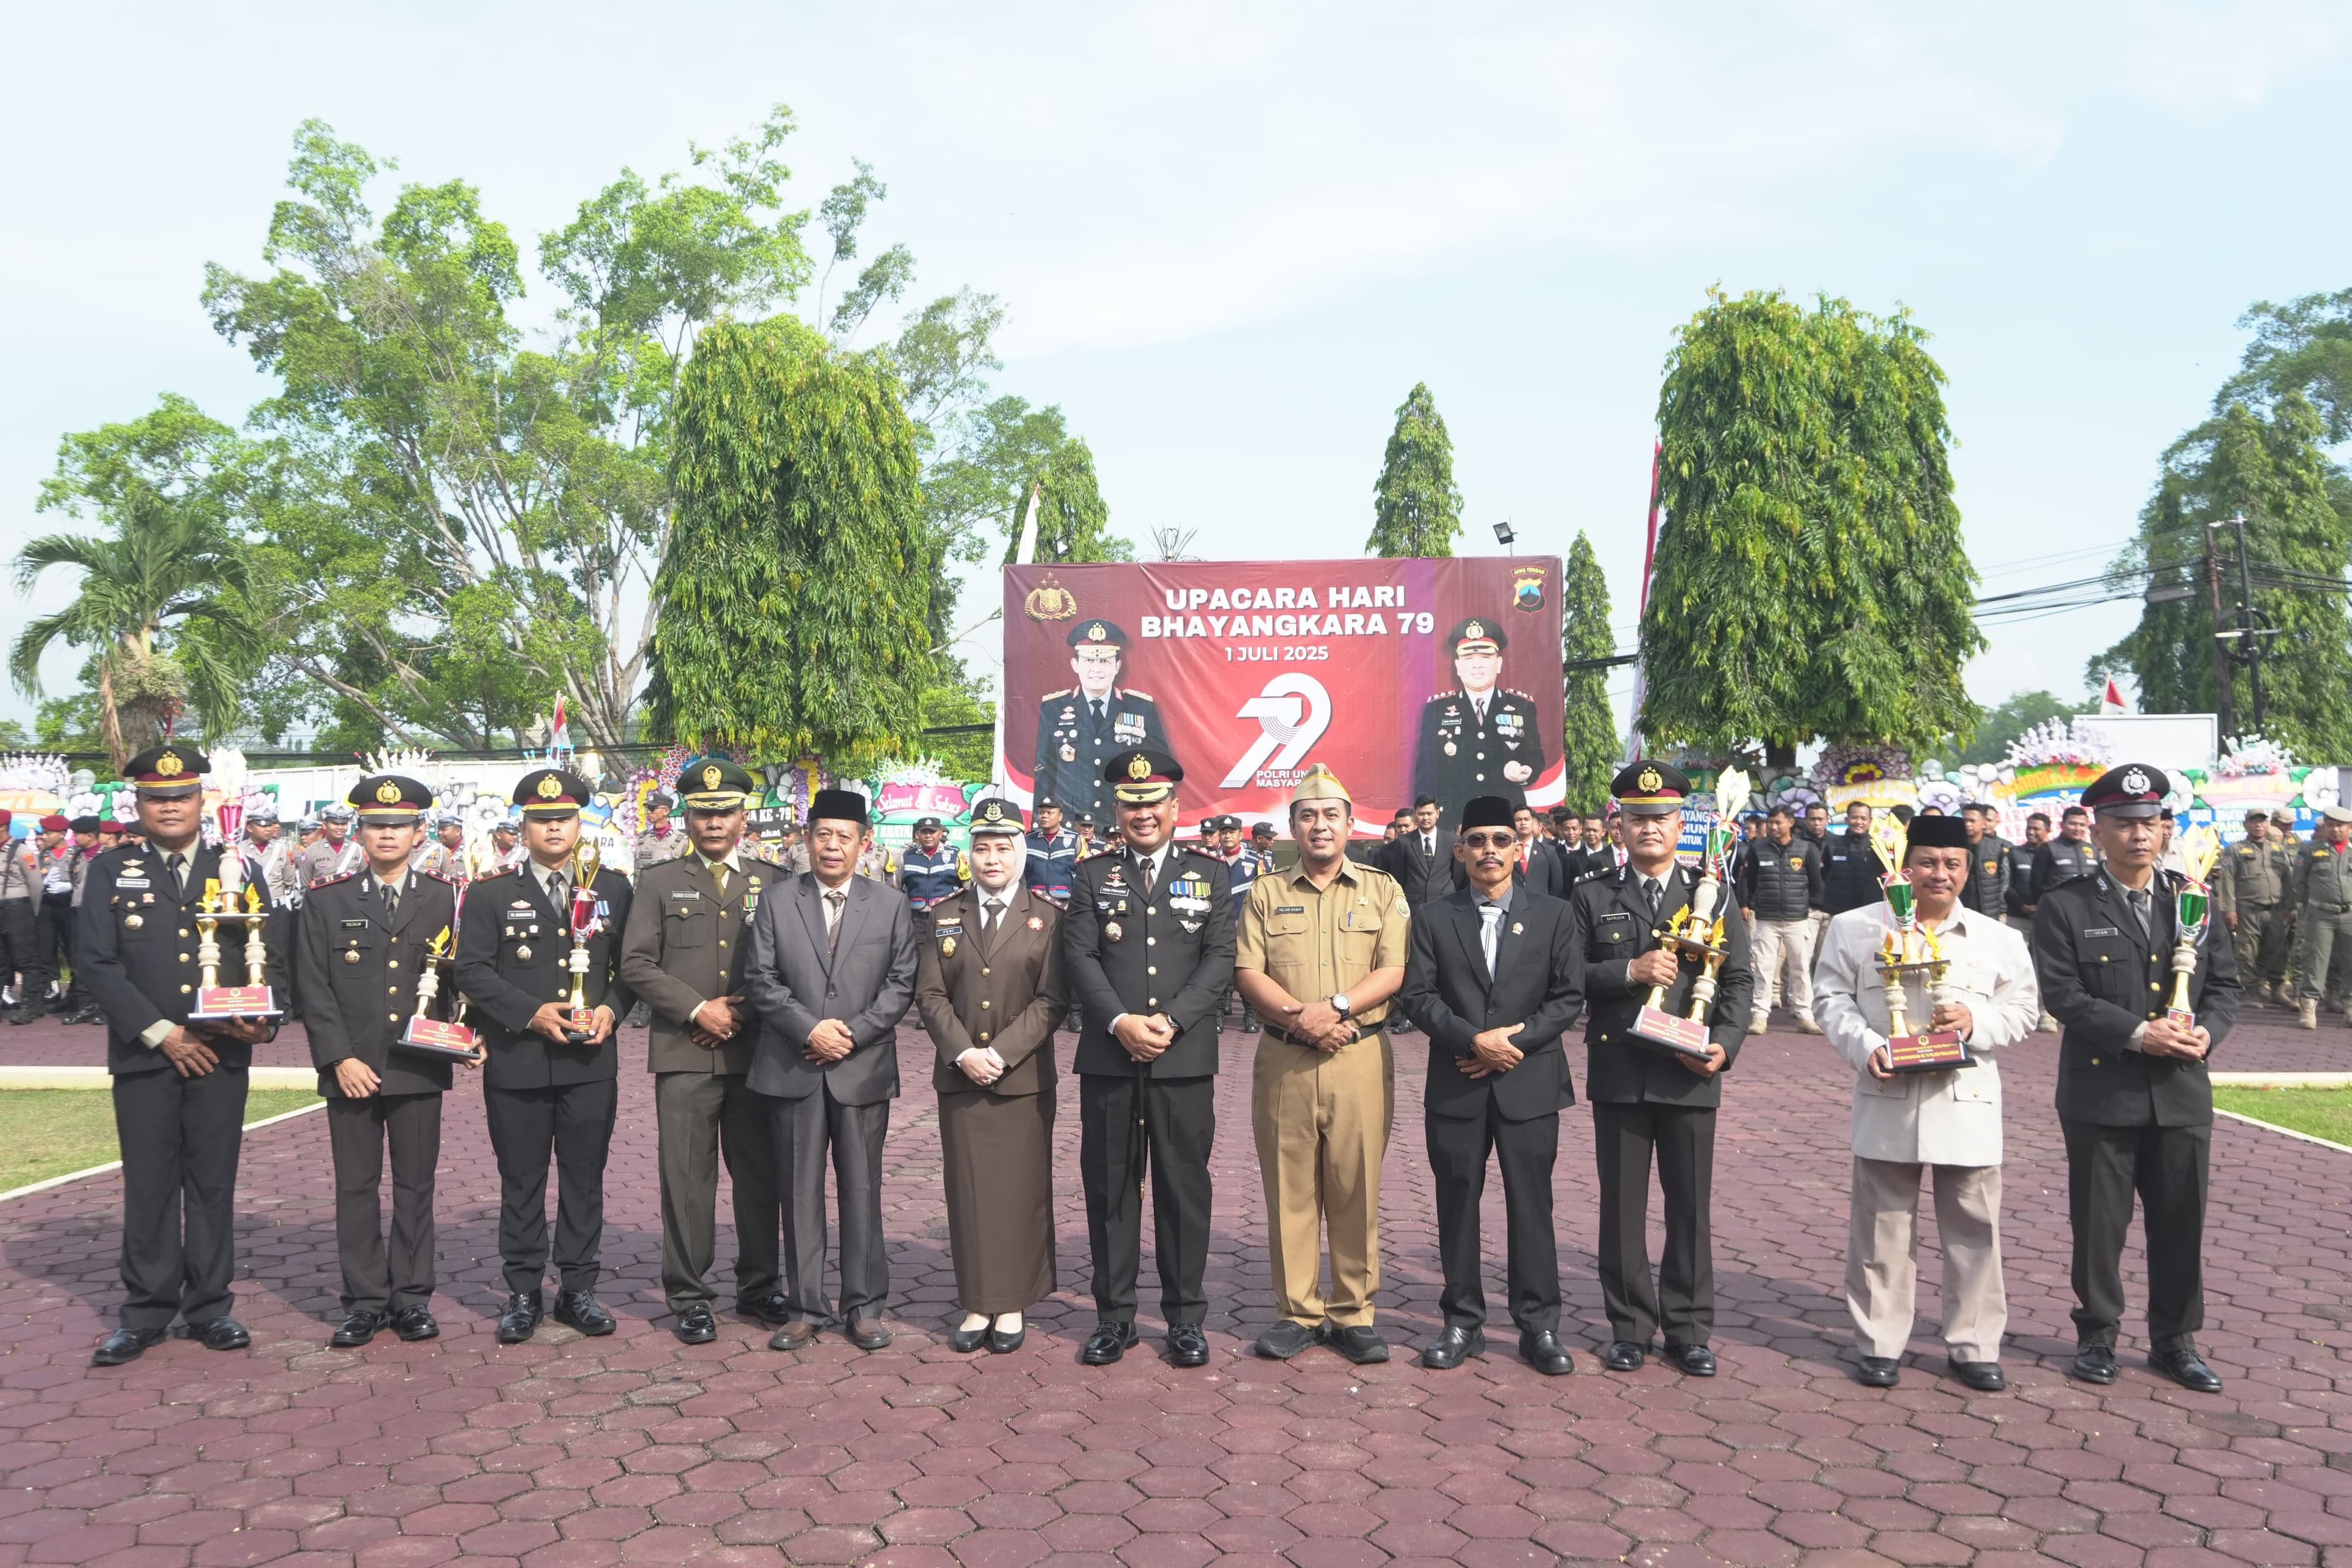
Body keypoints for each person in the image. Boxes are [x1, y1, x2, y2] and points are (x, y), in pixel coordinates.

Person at [1813, 813, 2040, 1391]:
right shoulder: (1854, 928)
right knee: (1882, 1227)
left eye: (1953, 864)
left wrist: (1975, 1021)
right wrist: (1865, 1046)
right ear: (1905, 865)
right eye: (1929, 863)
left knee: (1973, 1228)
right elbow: (1831, 1000)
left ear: (1969, 869)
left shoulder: (1999, 939)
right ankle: (1880, 1342)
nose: (1940, 875)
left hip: (1965, 1100)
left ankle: (1975, 1344)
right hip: (1888, 1092)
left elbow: (2024, 1013)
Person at [2032, 764, 2237, 1393]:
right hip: (2103, 1090)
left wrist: (2208, 1032)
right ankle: (2097, 1336)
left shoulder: (2191, 899)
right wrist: (2139, 1032)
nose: (2140, 836)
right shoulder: (2066, 905)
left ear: (2166, 829)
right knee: (2100, 1224)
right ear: (2098, 831)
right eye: (2124, 825)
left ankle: (2176, 1341)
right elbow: (2064, 994)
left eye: (2151, 824)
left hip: (2180, 1091)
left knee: (2181, 1221)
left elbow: (2226, 988)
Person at [80, 744, 284, 1366]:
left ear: (202, 801)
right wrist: (162, 1031)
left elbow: (266, 953)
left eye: (181, 796)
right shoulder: (113, 871)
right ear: (138, 804)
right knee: (148, 1184)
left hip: (221, 1054)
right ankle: (144, 1310)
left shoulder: (237, 869)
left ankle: (210, 1306)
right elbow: (95, 962)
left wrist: (263, 1024)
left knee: (212, 1181)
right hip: (147, 1054)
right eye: (156, 798)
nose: (170, 807)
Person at [1566, 761, 1753, 1378]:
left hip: (1691, 1071)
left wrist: (1725, 1045)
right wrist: (1630, 971)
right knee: (1620, 1207)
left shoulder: (1713, 893)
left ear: (1683, 824)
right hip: (1621, 1068)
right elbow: (1568, 977)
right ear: (1618, 825)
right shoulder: (1592, 895)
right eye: (1638, 818)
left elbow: (1739, 980)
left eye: (1662, 818)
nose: (1650, 828)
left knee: (1689, 1207)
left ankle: (1690, 1329)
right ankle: (1630, 1327)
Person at [1062, 748, 1236, 1368]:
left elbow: (1220, 959)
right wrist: (1120, 1020)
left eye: (1153, 802)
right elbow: (1079, 957)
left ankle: (1186, 1319)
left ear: (1174, 806)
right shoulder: (1091, 875)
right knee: (1110, 1186)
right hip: (1110, 1056)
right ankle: (1115, 1318)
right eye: (1131, 803)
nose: (1143, 813)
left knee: (1183, 1187)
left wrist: (1170, 1020)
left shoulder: (1211, 875)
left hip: (1183, 1055)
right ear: (1118, 808)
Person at [1233, 767, 1409, 1366]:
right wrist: (1298, 1016)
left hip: (1359, 1054)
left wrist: (1334, 1009)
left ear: (1350, 824)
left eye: (1331, 814)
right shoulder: (1266, 891)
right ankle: (1298, 1312)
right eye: (1308, 815)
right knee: (1291, 1190)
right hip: (1286, 1056)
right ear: (1292, 827)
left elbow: (1393, 969)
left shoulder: (1382, 889)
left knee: (1356, 1185)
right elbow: (1248, 971)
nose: (1320, 825)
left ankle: (1354, 1312)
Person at [1399, 794, 1580, 1374]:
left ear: (1519, 847)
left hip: (1529, 1084)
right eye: (1477, 841)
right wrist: (1471, 1041)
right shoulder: (1433, 916)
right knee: (1457, 1205)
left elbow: (1567, 997)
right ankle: (1462, 1322)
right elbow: (1418, 996)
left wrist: (1509, 1044)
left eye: (1501, 840)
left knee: (1533, 1206)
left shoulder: (1554, 913)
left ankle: (1539, 1326)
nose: (1489, 851)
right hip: (1457, 1081)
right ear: (1460, 850)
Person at [454, 768, 636, 1344]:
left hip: (590, 1062)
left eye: (563, 818)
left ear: (579, 823)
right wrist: (531, 1014)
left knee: (584, 1179)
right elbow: (472, 971)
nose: (553, 827)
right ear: (524, 827)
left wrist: (611, 1008)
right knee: (522, 1180)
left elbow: (632, 967)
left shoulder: (612, 888)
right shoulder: (490, 893)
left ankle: (578, 1289)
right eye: (540, 819)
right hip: (520, 1060)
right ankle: (524, 1290)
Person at [297, 773, 473, 1348]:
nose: (388, 835)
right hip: (351, 1067)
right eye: (377, 825)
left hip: (417, 1064)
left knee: (416, 1187)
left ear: (420, 832)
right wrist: (338, 1059)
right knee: (356, 1187)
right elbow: (314, 989)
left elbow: (458, 982)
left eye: (400, 826)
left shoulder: (444, 897)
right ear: (361, 831)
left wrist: (467, 1034)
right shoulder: (328, 899)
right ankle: (365, 1300)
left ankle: (412, 1298)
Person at [617, 757, 788, 1344]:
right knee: (687, 1179)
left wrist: (742, 1010)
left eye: (725, 812)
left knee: (760, 1175)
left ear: (744, 816)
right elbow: (636, 962)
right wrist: (698, 1009)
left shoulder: (776, 881)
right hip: (685, 1050)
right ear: (687, 817)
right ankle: (690, 1295)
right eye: (702, 812)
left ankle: (761, 1284)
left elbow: (793, 962)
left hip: (758, 1052)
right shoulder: (659, 882)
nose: (713, 822)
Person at [743, 788, 918, 1352]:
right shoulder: (776, 901)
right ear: (806, 840)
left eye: (845, 836)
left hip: (861, 1067)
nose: (833, 846)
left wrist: (853, 1033)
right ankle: (804, 1306)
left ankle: (864, 1307)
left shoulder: (890, 904)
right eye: (823, 835)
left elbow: (901, 983)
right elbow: (761, 979)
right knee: (798, 1190)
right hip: (793, 1065)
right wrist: (809, 1028)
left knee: (862, 1188)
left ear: (864, 844)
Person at [914, 796, 1066, 1355]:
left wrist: (1000, 1053)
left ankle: (1014, 1302)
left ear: (1021, 854)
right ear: (969, 855)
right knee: (970, 1190)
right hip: (960, 1077)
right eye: (982, 848)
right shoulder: (944, 914)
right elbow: (929, 994)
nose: (992, 859)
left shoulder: (1048, 918)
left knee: (1020, 1191)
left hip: (1021, 1077)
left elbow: (1053, 1002)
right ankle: (978, 1301)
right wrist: (962, 1052)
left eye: (1004, 848)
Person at [1034, 619, 1169, 829]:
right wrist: (1040, 826)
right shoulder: (1054, 708)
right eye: (1088, 661)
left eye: (1105, 662)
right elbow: (1045, 771)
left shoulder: (1141, 708)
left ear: (1117, 666)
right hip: (1071, 826)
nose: (1096, 669)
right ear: (1075, 665)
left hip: (1124, 824)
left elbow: (1161, 769)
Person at [1411, 617, 1550, 819]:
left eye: (1485, 657)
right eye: (1469, 659)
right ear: (1458, 666)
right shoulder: (1437, 709)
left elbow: (1535, 757)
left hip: (1506, 813)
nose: (1477, 666)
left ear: (1499, 663)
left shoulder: (1521, 706)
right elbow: (1425, 770)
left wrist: (1525, 771)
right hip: (1454, 817)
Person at [1736, 805, 1823, 1035]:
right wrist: (1751, 903)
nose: (1773, 827)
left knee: (1801, 968)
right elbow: (1749, 881)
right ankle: (1759, 1017)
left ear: (1791, 823)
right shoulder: (1758, 849)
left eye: (1779, 823)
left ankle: (1805, 1016)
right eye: (1771, 822)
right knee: (1763, 969)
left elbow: (1816, 884)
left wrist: (1803, 904)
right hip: (1766, 920)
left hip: (1798, 919)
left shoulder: (1807, 849)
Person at [2216, 807, 2293, 1008]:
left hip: (2276, 908)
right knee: (2247, 951)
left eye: (2262, 821)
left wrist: (2290, 906)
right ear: (2245, 825)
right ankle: (2251, 992)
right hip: (2247, 909)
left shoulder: (2278, 849)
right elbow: (2227, 881)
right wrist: (2228, 909)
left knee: (2278, 950)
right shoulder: (2235, 850)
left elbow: (2287, 879)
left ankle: (2277, 989)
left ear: (2268, 825)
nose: (2258, 825)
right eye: (2253, 821)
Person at [2290, 805, 2352, 1030]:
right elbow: (2299, 882)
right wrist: (2314, 904)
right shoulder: (2310, 850)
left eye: (2340, 826)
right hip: (2320, 914)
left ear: (2349, 828)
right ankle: (2308, 1007)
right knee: (2315, 960)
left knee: (2350, 961)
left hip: (2350, 914)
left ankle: (2350, 1006)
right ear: (2324, 827)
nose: (2335, 830)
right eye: (2330, 825)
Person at [0, 813, 49, 1025]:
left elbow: (35, 884)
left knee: (25, 959)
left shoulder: (21, 851)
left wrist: (33, 912)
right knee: (1, 960)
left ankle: (31, 1004)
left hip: (17, 908)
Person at [61, 815, 102, 1024]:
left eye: (77, 834)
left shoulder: (106, 856)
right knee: (78, 959)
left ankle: (102, 1007)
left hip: (100, 914)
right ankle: (86, 1006)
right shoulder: (77, 855)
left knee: (102, 958)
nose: (74, 838)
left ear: (89, 835)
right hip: (78, 910)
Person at [34, 816, 75, 1017]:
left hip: (69, 906)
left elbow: (84, 880)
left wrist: (70, 888)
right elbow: (34, 879)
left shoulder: (74, 854)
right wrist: (42, 882)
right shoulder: (42, 855)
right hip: (48, 905)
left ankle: (76, 992)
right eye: (44, 832)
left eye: (49, 833)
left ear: (62, 834)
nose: (45, 837)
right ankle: (53, 988)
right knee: (46, 948)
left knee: (71, 948)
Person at [896, 816, 968, 924]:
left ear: (940, 834)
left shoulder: (956, 855)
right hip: (916, 920)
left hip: (948, 919)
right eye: (924, 832)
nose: (928, 836)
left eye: (932, 832)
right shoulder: (906, 856)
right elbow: (898, 889)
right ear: (918, 835)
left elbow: (967, 888)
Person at [1820, 801, 1882, 919]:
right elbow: (1824, 873)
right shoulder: (1833, 844)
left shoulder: (1878, 846)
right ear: (1846, 820)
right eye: (1854, 818)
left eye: (1864, 818)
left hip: (1869, 909)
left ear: (1870, 822)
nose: (1859, 822)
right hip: (1839, 909)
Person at [1958, 804, 2015, 925]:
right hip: (1962, 912)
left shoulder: (1997, 849)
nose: (1968, 824)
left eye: (1972, 821)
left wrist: (2002, 910)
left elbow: (2005, 881)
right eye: (1965, 820)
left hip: (1991, 914)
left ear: (1984, 823)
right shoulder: (1955, 848)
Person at [1022, 796, 1078, 906]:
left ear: (1060, 816)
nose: (1044, 816)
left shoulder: (1076, 840)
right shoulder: (1028, 840)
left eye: (1050, 813)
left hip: (1065, 902)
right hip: (1034, 900)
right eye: (1041, 812)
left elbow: (1082, 874)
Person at [298, 804, 360, 888]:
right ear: (324, 825)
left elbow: (364, 881)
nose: (340, 827)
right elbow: (306, 886)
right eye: (335, 823)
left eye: (344, 824)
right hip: (322, 900)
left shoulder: (358, 850)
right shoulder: (311, 852)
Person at [633, 792, 686, 871]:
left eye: (652, 809)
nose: (648, 812)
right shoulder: (642, 839)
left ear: (666, 811)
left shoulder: (682, 841)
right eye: (648, 808)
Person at [415, 814, 469, 883]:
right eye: (439, 829)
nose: (439, 833)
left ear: (458, 831)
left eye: (444, 830)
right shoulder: (436, 849)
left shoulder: (471, 850)